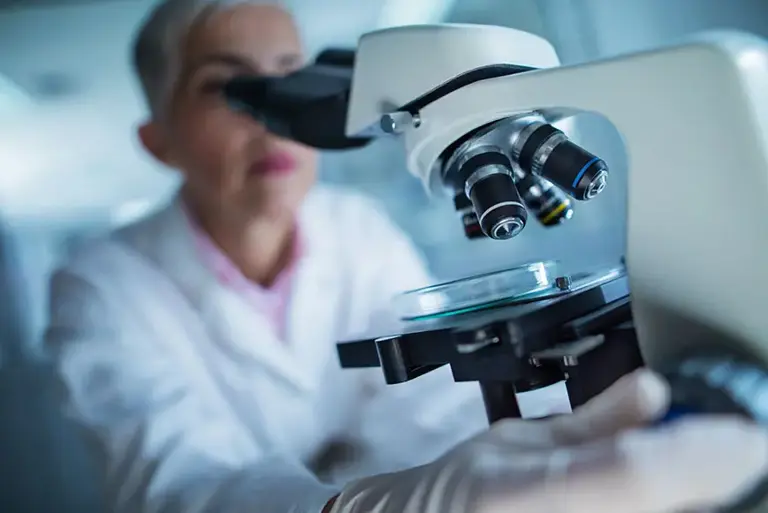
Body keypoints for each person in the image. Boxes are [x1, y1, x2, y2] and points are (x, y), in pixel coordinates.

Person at [44, 1, 768, 513]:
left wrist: (546, 450)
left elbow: (432, 409)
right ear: (158, 140)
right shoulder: (100, 285)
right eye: (229, 88)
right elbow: (180, 484)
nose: (269, 122)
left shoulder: (355, 227)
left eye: (284, 76)